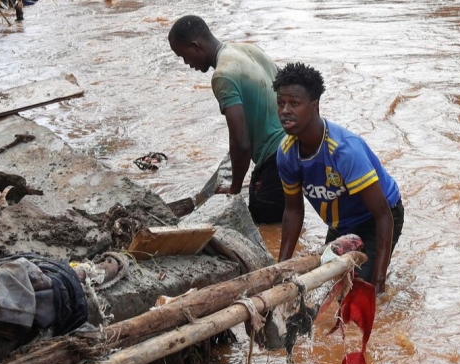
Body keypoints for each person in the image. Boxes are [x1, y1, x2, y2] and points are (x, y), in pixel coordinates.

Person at [274, 62, 404, 294]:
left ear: (314, 106)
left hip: (377, 219)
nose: (285, 110)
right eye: (280, 103)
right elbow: (293, 211)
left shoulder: (344, 150)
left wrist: (379, 280)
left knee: (361, 292)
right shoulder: (286, 152)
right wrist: (281, 271)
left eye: (294, 104)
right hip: (341, 224)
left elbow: (383, 215)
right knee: (331, 288)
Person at [168, 15, 286, 223]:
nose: (186, 63)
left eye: (183, 56)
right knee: (288, 215)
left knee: (265, 226)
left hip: (274, 158)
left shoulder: (223, 75)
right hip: (295, 147)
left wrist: (234, 188)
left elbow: (240, 143)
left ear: (195, 46)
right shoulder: (248, 50)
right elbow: (289, 91)